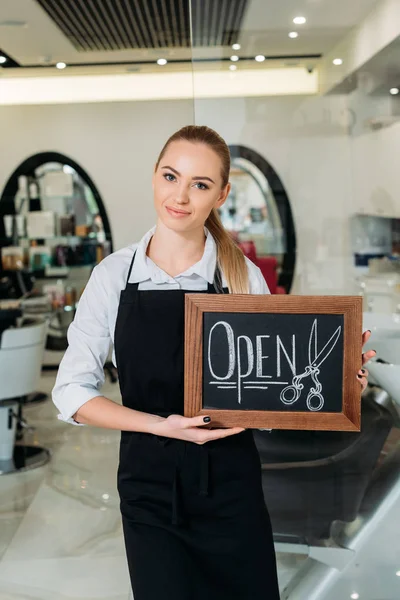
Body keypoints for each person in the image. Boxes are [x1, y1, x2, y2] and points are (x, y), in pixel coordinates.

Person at [52, 125, 374, 599]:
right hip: (150, 489)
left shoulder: (240, 276)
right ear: (155, 177)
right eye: (170, 176)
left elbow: (272, 391)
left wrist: (338, 386)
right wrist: (163, 426)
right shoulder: (113, 276)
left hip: (231, 488)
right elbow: (72, 393)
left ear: (221, 194)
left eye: (200, 184)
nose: (179, 196)